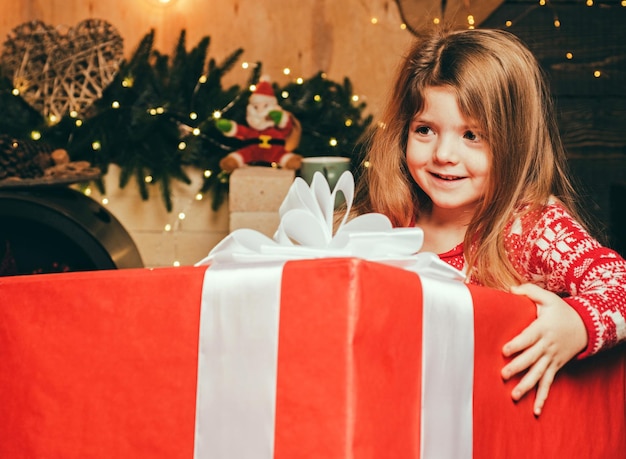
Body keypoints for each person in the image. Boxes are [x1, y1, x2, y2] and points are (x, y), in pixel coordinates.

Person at [350, 28, 626, 416]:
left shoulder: (531, 227)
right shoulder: (392, 220)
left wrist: (576, 324)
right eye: (425, 130)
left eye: (472, 135)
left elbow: (619, 281)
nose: (444, 153)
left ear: (513, 143)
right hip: (406, 418)